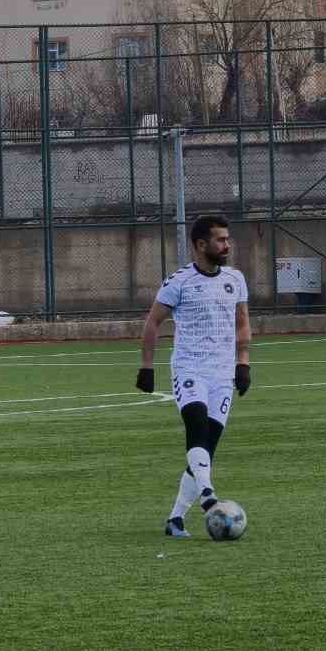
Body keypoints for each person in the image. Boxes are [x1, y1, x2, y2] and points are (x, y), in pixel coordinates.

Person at [135, 214, 251, 539]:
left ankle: (175, 520)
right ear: (201, 245)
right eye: (220, 240)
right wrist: (147, 367)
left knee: (207, 446)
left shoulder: (235, 279)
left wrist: (243, 363)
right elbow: (152, 322)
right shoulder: (179, 282)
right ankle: (209, 495)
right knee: (196, 428)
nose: (227, 245)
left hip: (223, 373)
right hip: (189, 369)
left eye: (227, 239)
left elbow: (242, 322)